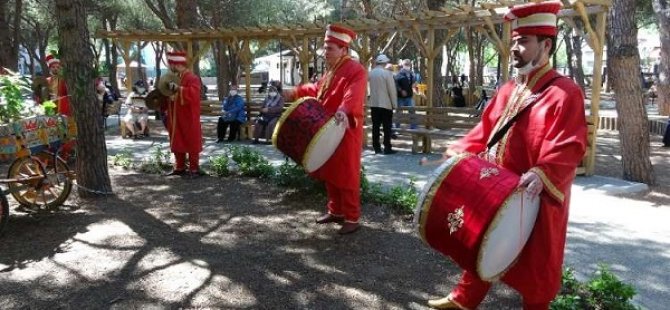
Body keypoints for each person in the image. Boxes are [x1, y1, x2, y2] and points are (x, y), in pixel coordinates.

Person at [428, 2, 588, 309]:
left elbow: (569, 145)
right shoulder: (507, 90)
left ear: (546, 45)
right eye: (514, 40)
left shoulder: (565, 92)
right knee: (484, 243)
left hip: (535, 195)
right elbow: (485, 133)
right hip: (497, 188)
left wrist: (543, 174)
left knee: (537, 266)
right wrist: (459, 152)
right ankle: (463, 298)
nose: (515, 47)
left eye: (524, 41)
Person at [283, 24, 367, 235]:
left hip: (345, 128)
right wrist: (296, 91)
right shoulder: (333, 70)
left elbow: (353, 95)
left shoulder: (356, 70)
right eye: (325, 47)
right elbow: (317, 90)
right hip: (326, 128)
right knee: (331, 171)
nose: (325, 52)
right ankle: (335, 211)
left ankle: (352, 217)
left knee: (346, 174)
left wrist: (343, 110)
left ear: (343, 49)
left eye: (329, 48)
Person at [164, 50, 204, 178]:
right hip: (175, 116)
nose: (171, 67)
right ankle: (179, 166)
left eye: (173, 64)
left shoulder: (192, 78)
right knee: (177, 140)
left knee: (191, 140)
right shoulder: (174, 78)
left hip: (189, 116)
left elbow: (194, 94)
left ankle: (194, 169)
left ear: (178, 64)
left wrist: (178, 89)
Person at [368, 54, 398, 154]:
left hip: (374, 103)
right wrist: (394, 104)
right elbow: (391, 90)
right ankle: (387, 147)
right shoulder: (387, 74)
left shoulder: (371, 73)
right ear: (384, 63)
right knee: (386, 127)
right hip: (386, 104)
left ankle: (376, 147)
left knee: (375, 126)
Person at [395, 58, 416, 129]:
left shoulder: (412, 73)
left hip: (409, 97)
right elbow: (396, 84)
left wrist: (414, 83)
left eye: (408, 64)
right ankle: (397, 128)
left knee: (412, 112)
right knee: (399, 113)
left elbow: (414, 82)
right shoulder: (398, 74)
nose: (407, 65)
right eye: (406, 64)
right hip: (400, 97)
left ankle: (413, 128)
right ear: (402, 65)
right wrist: (401, 90)